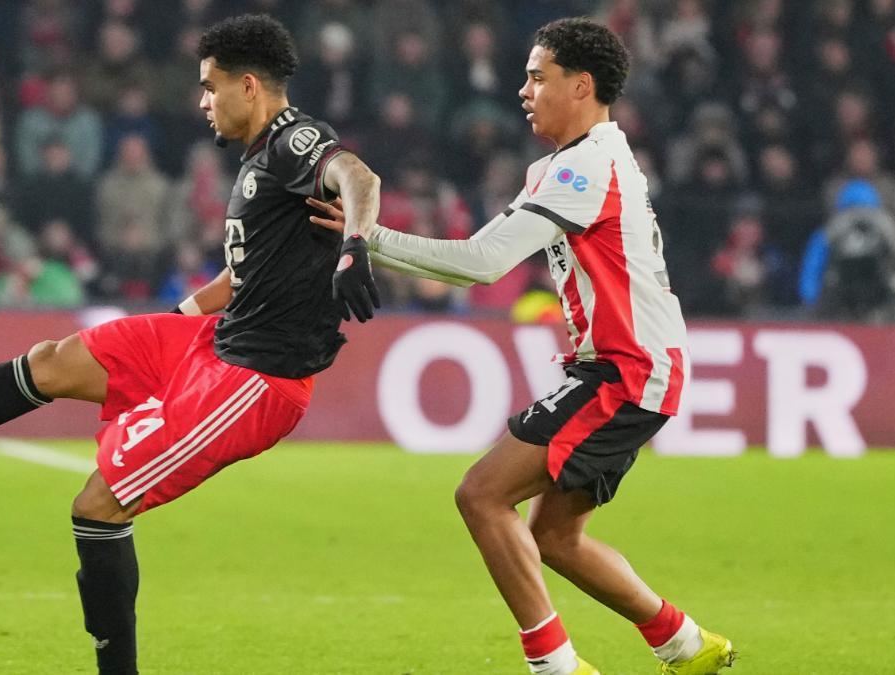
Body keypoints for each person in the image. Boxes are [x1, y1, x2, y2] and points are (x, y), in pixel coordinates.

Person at [0, 14, 381, 675]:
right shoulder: (258, 159)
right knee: (52, 361)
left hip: (256, 379)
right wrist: (173, 322)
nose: (201, 101)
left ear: (248, 86)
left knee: (98, 506)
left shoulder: (295, 139)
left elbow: (359, 178)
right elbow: (240, 274)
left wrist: (355, 247)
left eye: (209, 86)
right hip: (211, 339)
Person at [308, 17, 734, 675]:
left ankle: (556, 666)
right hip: (632, 365)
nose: (523, 89)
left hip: (624, 369)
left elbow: (482, 262)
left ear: (581, 84)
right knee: (553, 537)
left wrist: (368, 238)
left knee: (481, 494)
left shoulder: (585, 166)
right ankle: (685, 642)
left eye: (538, 76)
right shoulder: (585, 161)